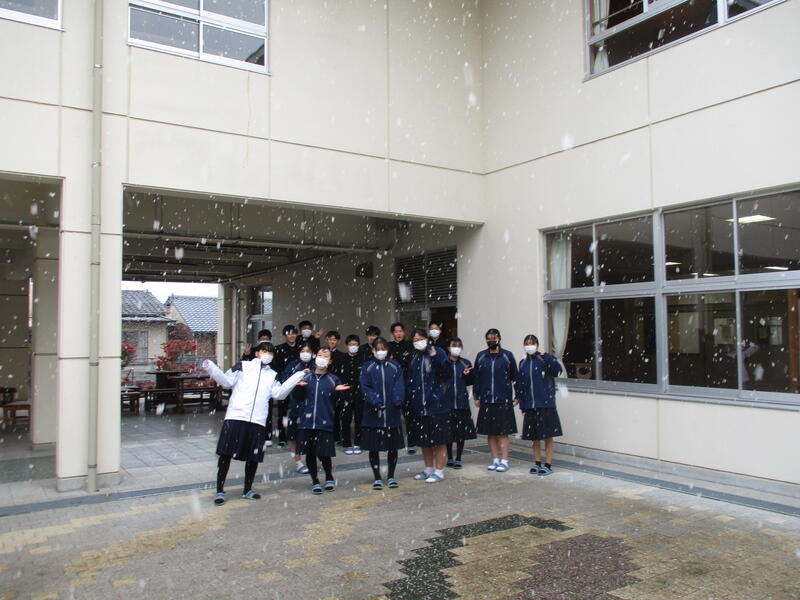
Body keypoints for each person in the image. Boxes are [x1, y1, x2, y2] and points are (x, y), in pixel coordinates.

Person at [203, 342, 306, 505]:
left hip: (258, 420)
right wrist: (211, 368)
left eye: (270, 352)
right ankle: (219, 490)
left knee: (253, 457)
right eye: (264, 351)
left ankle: (247, 489)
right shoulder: (243, 366)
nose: (267, 355)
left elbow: (279, 394)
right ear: (257, 353)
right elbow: (226, 382)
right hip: (236, 416)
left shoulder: (272, 374)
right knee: (226, 454)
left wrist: (297, 376)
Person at [295, 348, 351, 494]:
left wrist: (339, 393)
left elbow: (340, 402)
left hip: (324, 421)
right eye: (320, 355)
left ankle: (329, 476)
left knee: (324, 453)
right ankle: (315, 480)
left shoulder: (333, 379)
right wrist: (299, 388)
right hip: (306, 422)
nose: (322, 358)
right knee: (310, 453)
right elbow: (297, 398)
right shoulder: (306, 377)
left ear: (330, 361)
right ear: (315, 357)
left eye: (326, 356)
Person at [359, 337, 405, 489]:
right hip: (373, 413)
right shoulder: (367, 366)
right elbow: (365, 387)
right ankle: (377, 478)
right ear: (373, 350)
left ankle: (391, 476)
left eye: (383, 349)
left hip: (392, 412)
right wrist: (376, 401)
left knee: (393, 447)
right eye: (378, 349)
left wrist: (397, 399)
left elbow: (399, 384)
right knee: (374, 447)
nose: (381, 352)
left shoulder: (394, 365)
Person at [407, 328, 450, 483]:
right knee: (424, 440)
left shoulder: (438, 352)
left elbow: (446, 374)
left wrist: (435, 357)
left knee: (439, 440)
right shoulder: (414, 356)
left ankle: (439, 471)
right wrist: (412, 397)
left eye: (421, 339)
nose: (418, 342)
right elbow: (411, 379)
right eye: (415, 340)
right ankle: (428, 468)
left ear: (427, 339)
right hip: (420, 406)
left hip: (437, 405)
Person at [515, 335, 563, 475]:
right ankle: (537, 463)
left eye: (531, 343)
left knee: (548, 436)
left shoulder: (544, 359)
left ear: (537, 345)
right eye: (526, 343)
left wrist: (546, 355)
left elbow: (557, 370)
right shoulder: (523, 363)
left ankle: (548, 464)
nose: (529, 346)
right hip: (530, 405)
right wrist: (521, 402)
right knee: (534, 437)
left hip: (546, 404)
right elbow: (520, 384)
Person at [473, 328, 518, 473]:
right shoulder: (481, 356)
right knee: (490, 432)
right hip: (486, 400)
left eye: (494, 337)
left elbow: (515, 377)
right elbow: (476, 378)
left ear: (499, 339)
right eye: (489, 338)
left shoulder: (507, 356)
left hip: (503, 400)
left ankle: (504, 460)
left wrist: (517, 395)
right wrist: (476, 396)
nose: (491, 340)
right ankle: (495, 459)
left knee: (503, 433)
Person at [280, 343, 315, 475]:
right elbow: (285, 381)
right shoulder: (293, 365)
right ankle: (298, 461)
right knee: (294, 435)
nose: (305, 353)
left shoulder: (315, 365)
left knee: (312, 435)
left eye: (308, 351)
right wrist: (296, 382)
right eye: (303, 350)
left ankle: (312, 460)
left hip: (312, 405)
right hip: (296, 404)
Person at [441, 337, 476, 469]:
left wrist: (467, 375)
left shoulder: (465, 363)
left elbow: (470, 381)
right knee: (448, 432)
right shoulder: (444, 362)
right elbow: (440, 378)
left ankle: (459, 458)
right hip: (447, 402)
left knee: (461, 432)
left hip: (461, 402)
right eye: (453, 345)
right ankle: (449, 457)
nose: (456, 348)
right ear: (449, 348)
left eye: (458, 345)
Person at [271, 324, 302, 447]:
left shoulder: (301, 348)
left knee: (298, 410)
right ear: (284, 335)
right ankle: (282, 436)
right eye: (289, 334)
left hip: (299, 384)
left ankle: (297, 435)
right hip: (284, 384)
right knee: (282, 411)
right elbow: (275, 367)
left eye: (294, 333)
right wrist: (280, 380)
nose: (292, 336)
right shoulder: (278, 349)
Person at [387, 322, 416, 454]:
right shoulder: (388, 346)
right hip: (392, 385)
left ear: (404, 332)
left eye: (400, 331)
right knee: (393, 414)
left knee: (409, 415)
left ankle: (412, 442)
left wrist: (398, 361)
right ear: (392, 333)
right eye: (396, 331)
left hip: (407, 383)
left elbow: (410, 362)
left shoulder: (410, 345)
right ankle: (394, 441)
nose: (398, 333)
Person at [340, 334, 365, 455]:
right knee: (345, 420)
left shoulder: (363, 358)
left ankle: (358, 443)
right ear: (346, 346)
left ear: (358, 345)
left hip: (359, 394)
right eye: (350, 344)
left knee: (359, 419)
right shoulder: (342, 358)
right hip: (345, 393)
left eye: (355, 344)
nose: (353, 346)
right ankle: (347, 443)